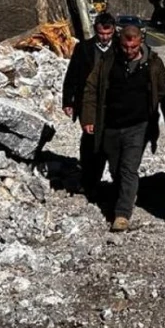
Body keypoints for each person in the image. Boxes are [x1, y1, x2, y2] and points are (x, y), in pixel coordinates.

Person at [83, 25, 165, 232]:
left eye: (133, 47)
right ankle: (119, 197)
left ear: (141, 42)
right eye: (126, 47)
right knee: (116, 169)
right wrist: (89, 118)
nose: (129, 51)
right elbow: (91, 89)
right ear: (120, 43)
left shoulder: (153, 63)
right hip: (111, 124)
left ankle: (122, 214)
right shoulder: (108, 61)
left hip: (139, 125)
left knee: (128, 168)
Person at [61, 13, 116, 198]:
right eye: (101, 33)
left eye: (108, 33)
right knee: (90, 143)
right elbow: (72, 75)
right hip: (87, 103)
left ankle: (117, 184)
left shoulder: (121, 48)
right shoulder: (83, 48)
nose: (105, 37)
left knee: (111, 142)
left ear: (113, 30)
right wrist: (68, 101)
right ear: (96, 30)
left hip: (113, 104)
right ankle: (89, 181)